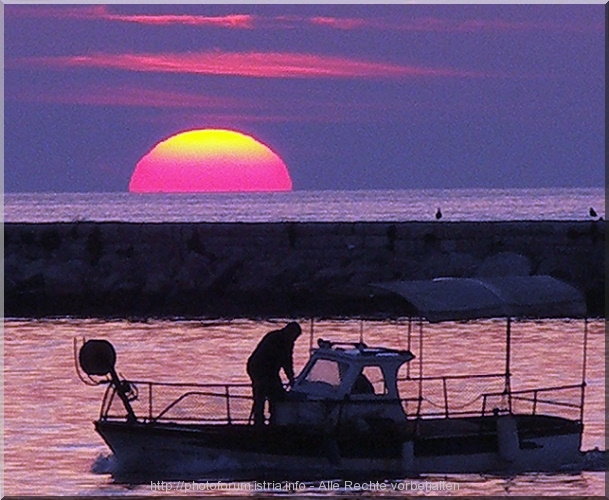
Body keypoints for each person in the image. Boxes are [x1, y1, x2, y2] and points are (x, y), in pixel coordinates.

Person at [246, 321, 302, 426]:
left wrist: (291, 377)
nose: (294, 339)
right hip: (258, 368)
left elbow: (288, 361)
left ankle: (274, 419)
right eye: (294, 336)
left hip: (271, 370)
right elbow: (279, 358)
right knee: (262, 393)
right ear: (289, 331)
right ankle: (259, 422)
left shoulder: (288, 342)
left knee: (275, 395)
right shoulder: (274, 338)